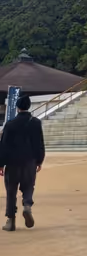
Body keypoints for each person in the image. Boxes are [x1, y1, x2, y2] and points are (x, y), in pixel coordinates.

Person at [0, 95, 45, 232]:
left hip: (13, 162)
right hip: (30, 161)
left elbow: (4, 146)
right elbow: (39, 143)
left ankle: (11, 220)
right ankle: (27, 205)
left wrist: (1, 164)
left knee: (11, 190)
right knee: (28, 186)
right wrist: (39, 160)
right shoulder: (36, 123)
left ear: (17, 107)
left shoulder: (10, 124)